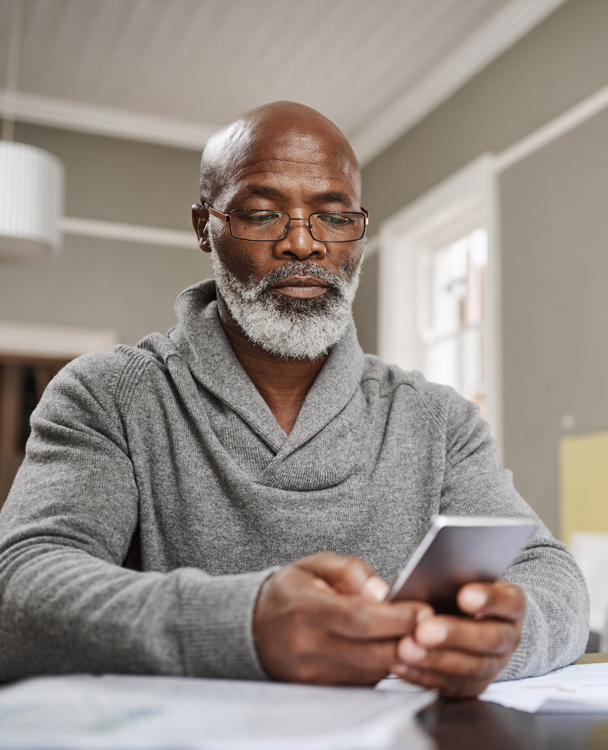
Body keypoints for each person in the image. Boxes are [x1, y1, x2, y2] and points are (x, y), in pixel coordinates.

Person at [0, 102, 588, 697]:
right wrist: (244, 623)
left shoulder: (439, 419)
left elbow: (552, 576)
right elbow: (19, 589)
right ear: (205, 226)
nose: (304, 244)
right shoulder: (109, 395)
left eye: (333, 217)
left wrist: (509, 635)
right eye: (261, 213)